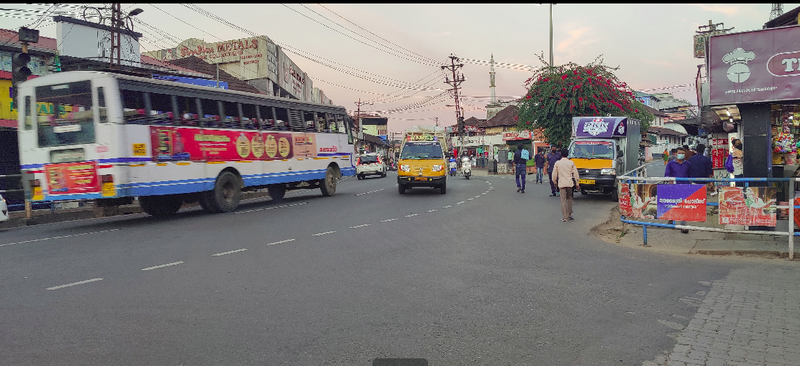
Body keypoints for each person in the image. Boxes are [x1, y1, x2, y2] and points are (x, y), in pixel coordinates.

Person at [665, 147, 693, 233]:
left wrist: (690, 184)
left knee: (683, 206)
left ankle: (683, 226)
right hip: (674, 187)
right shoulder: (670, 164)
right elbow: (666, 175)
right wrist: (670, 181)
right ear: (676, 154)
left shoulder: (688, 164)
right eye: (679, 153)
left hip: (684, 187)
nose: (681, 155)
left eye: (683, 153)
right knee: (673, 204)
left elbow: (691, 176)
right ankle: (671, 218)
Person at [552, 148, 581, 222]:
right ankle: (569, 214)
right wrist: (577, 183)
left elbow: (554, 174)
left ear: (561, 154)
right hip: (569, 183)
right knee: (570, 198)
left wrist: (554, 182)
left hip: (562, 184)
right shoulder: (571, 163)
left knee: (563, 200)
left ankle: (565, 217)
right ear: (568, 154)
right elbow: (576, 174)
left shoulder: (558, 163)